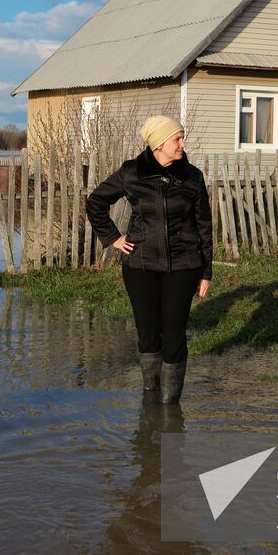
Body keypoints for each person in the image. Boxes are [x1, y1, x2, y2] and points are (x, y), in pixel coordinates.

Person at [85, 115, 212, 404]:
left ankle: (169, 408)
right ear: (159, 143)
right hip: (139, 266)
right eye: (177, 138)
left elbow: (204, 225)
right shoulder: (131, 172)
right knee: (147, 333)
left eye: (182, 137)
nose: (183, 143)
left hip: (183, 266)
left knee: (174, 335)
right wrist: (114, 238)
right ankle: (150, 399)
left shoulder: (193, 177)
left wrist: (206, 272)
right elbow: (96, 202)